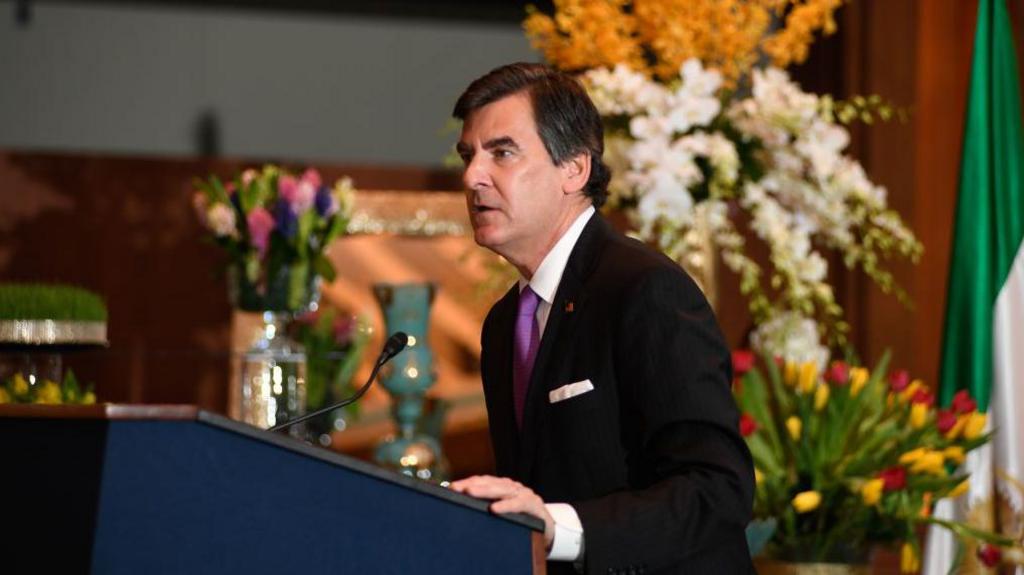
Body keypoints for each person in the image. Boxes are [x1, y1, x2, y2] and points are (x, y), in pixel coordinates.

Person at [448, 63, 755, 575]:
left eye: (501, 152)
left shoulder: (643, 289)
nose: (472, 176)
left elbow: (717, 490)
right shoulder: (505, 324)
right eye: (468, 155)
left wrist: (560, 528)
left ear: (575, 169)